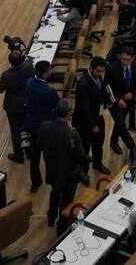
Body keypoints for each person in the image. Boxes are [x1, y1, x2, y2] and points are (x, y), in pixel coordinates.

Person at [39, 99, 87, 234]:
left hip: (52, 169)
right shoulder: (72, 133)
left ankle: (51, 217)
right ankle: (61, 227)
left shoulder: (44, 127)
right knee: (67, 200)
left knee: (54, 192)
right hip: (68, 174)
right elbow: (79, 154)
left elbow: (40, 145)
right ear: (69, 114)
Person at [25, 61, 61, 192]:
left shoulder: (29, 82)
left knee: (34, 158)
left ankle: (35, 182)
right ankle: (52, 181)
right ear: (45, 73)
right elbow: (59, 106)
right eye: (49, 70)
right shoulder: (49, 91)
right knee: (49, 157)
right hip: (46, 129)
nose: (51, 72)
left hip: (32, 125)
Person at [73, 57, 111, 175]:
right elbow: (84, 108)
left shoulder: (98, 77)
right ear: (91, 68)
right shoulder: (83, 85)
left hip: (98, 116)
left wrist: (107, 102)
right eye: (98, 71)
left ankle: (97, 164)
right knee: (85, 147)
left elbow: (101, 92)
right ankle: (83, 172)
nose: (100, 74)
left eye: (102, 71)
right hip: (85, 122)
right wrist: (92, 125)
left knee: (98, 144)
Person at [105, 47, 136, 163]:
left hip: (128, 101)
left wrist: (133, 93)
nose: (125, 62)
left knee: (119, 123)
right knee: (121, 124)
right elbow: (107, 86)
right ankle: (132, 147)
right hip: (114, 102)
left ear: (132, 59)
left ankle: (113, 141)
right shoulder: (112, 68)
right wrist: (118, 100)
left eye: (127, 60)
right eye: (123, 59)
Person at [0, 49, 34, 163]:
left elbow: (0, 90)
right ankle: (31, 151)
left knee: (15, 131)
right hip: (27, 103)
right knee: (29, 127)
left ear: (10, 62)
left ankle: (19, 155)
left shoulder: (6, 75)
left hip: (13, 107)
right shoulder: (29, 67)